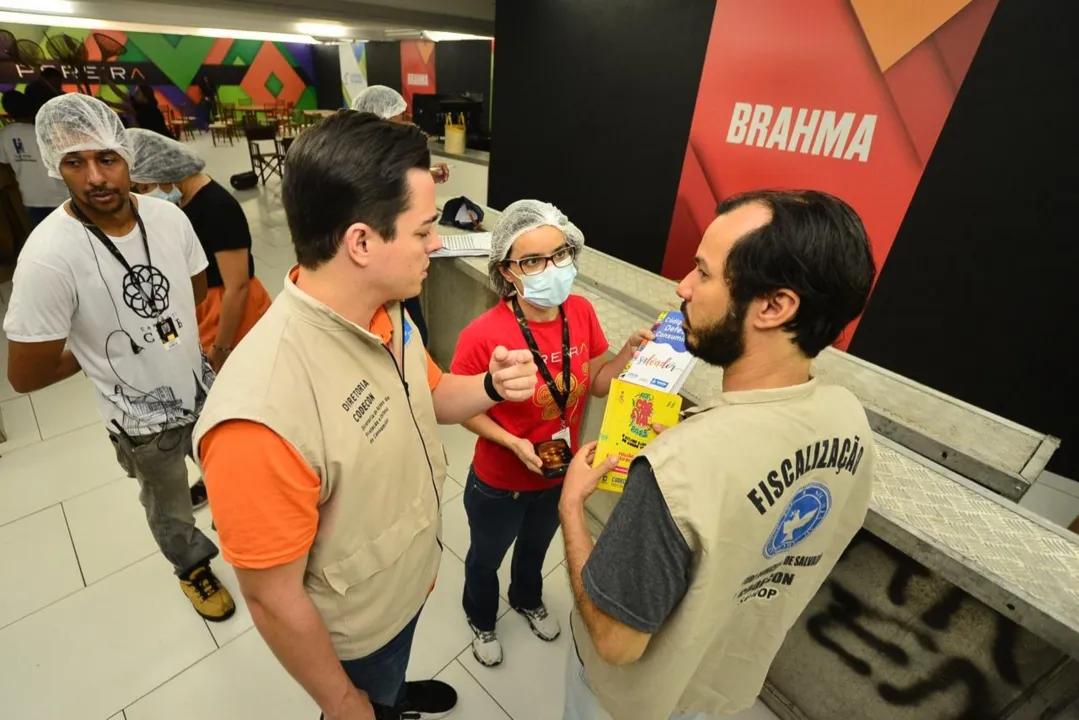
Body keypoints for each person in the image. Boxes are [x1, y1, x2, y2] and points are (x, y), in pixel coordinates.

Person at [193, 111, 541, 720]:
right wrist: (343, 703)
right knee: (370, 693)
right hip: (356, 636)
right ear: (360, 242)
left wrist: (489, 385)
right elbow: (273, 601)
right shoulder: (260, 418)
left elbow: (429, 395)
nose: (438, 244)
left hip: (403, 587)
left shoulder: (387, 310)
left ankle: (394, 693)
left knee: (393, 674)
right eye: (425, 230)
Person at [558, 189, 879, 720]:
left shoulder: (678, 468)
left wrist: (571, 508)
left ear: (774, 306)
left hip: (627, 704)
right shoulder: (849, 423)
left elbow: (616, 642)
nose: (682, 287)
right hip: (719, 688)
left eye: (703, 273)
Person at [3, 94, 235, 622]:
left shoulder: (168, 218)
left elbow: (194, 291)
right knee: (170, 506)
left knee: (230, 469)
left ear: (129, 156)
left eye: (107, 158)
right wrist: (102, 351)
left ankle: (241, 529)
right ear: (53, 165)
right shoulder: (49, 254)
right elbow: (26, 373)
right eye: (74, 162)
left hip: (200, 389)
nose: (95, 178)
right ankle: (192, 568)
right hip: (140, 422)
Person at [449, 200, 653, 667]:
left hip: (559, 472)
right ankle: (481, 618)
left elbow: (597, 383)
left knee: (538, 547)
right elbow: (461, 409)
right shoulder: (484, 334)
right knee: (486, 556)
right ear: (508, 270)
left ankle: (526, 598)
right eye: (534, 261)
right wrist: (511, 442)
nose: (552, 269)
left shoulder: (579, 313)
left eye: (560, 255)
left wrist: (625, 354)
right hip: (501, 481)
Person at [127, 128, 273, 510]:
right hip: (207, 309)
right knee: (214, 403)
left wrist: (222, 346)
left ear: (164, 176)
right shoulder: (184, 203)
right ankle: (225, 475)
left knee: (245, 401)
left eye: (143, 186)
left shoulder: (217, 208)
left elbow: (237, 285)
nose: (142, 195)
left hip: (232, 313)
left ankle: (256, 481)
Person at [352, 84, 450, 349]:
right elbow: (384, 184)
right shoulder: (357, 167)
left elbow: (395, 179)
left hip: (394, 282)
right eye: (397, 122)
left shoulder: (383, 160)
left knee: (415, 339)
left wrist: (426, 175)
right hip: (381, 278)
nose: (404, 127)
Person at [0, 90, 67, 228]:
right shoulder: (43, 131)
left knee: (44, 242)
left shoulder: (4, 134)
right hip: (61, 195)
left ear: (8, 111)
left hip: (30, 198)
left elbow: (4, 166)